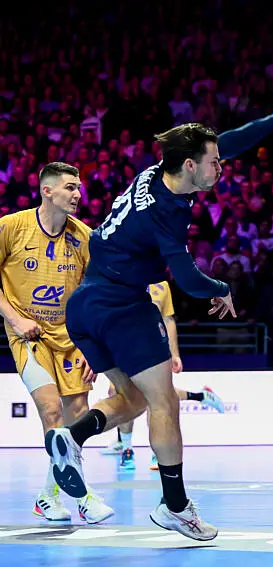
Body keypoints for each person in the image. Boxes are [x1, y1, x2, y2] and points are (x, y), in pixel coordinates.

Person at [43, 95, 273, 541]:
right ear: (190, 166)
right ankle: (175, 507)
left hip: (85, 306)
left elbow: (229, 141)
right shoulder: (165, 212)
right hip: (122, 307)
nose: (221, 168)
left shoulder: (157, 172)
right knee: (165, 403)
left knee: (133, 399)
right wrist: (222, 288)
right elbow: (187, 278)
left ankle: (71, 438)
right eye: (214, 164)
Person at [0, 162, 114, 524]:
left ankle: (47, 497)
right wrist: (15, 319)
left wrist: (93, 346)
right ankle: (84, 497)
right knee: (51, 411)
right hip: (28, 334)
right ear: (46, 191)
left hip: (72, 337)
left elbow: (95, 295)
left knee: (76, 417)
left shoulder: (85, 237)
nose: (77, 194)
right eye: (70, 187)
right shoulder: (11, 227)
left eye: (78, 188)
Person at [100, 280, 225, 472]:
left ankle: (157, 452)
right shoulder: (119, 278)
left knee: (157, 397)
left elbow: (168, 319)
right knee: (119, 393)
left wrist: (175, 353)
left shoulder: (161, 285)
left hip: (153, 348)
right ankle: (126, 448)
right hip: (123, 347)